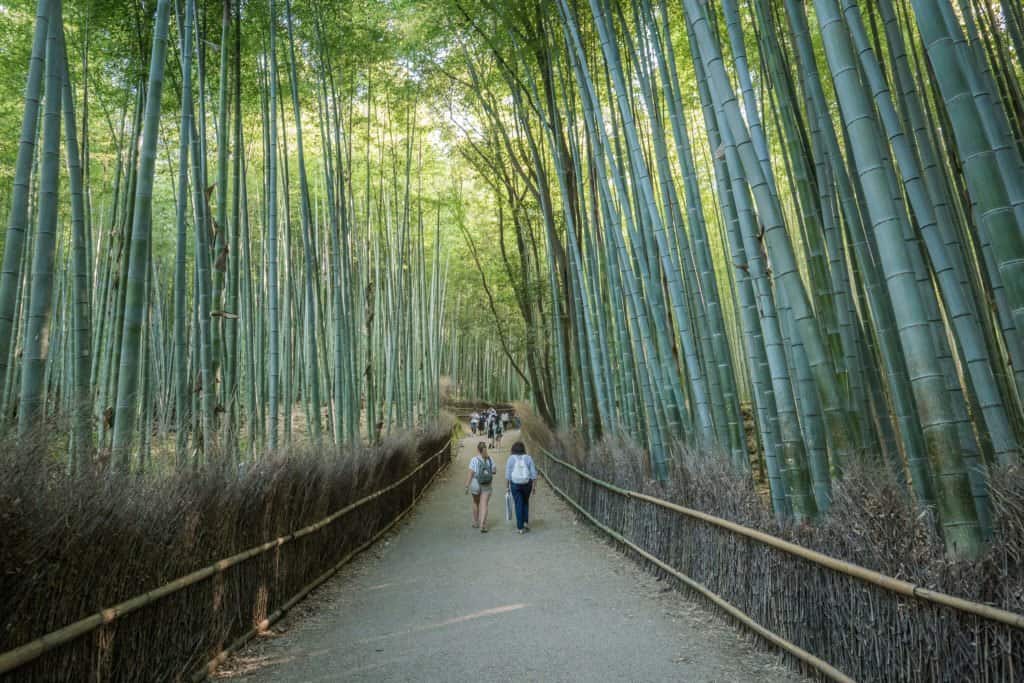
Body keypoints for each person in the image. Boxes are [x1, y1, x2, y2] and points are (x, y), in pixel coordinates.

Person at [505, 441, 537, 534]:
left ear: (513, 449)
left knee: (518, 504)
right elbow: (533, 474)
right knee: (525, 502)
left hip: (515, 484)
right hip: (527, 484)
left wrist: (507, 487)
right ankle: (525, 522)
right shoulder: (528, 458)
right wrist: (534, 486)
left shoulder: (511, 459)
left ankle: (520, 527)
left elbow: (507, 475)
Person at [465, 441, 496, 532]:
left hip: (475, 482)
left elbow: (470, 473)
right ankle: (483, 524)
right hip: (486, 484)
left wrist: (467, 486)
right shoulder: (490, 459)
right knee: (484, 504)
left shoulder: (474, 460)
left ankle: (475, 522)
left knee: (475, 502)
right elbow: (494, 471)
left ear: (477, 450)